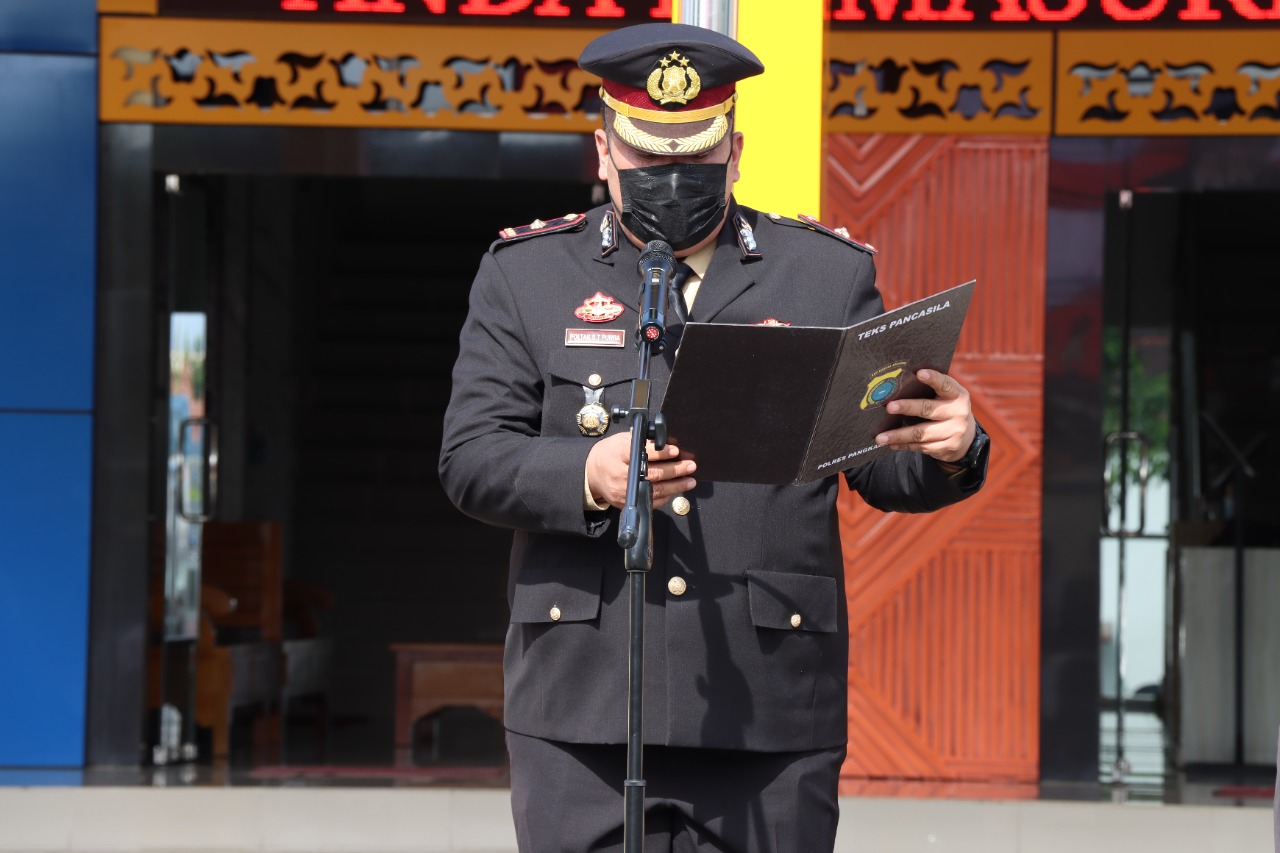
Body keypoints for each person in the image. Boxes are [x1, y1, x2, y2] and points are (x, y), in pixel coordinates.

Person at [439, 22, 990, 853]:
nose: (672, 177)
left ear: (733, 153)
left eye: (695, 156)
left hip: (767, 706)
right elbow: (472, 457)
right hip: (584, 704)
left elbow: (877, 463)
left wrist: (953, 448)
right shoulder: (527, 275)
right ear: (604, 151)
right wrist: (588, 474)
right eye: (647, 155)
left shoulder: (824, 275)